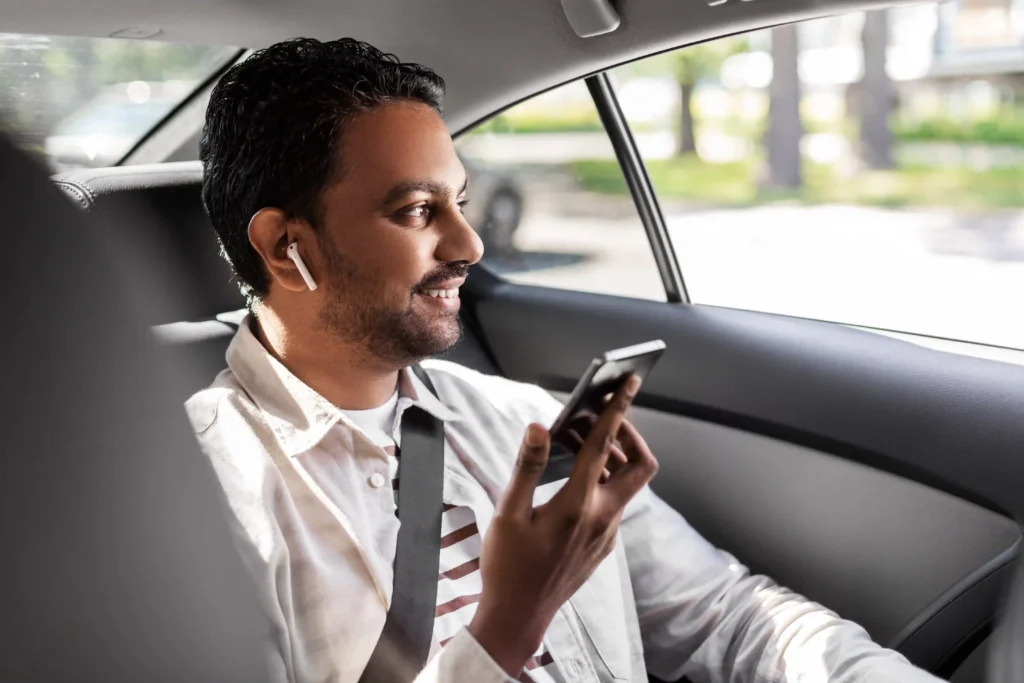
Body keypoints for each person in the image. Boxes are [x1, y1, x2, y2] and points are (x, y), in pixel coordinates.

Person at [188, 37, 943, 683]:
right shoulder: (204, 498)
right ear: (288, 248)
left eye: (461, 201)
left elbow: (731, 616)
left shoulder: (516, 419)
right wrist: (506, 628)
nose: (470, 246)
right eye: (418, 211)